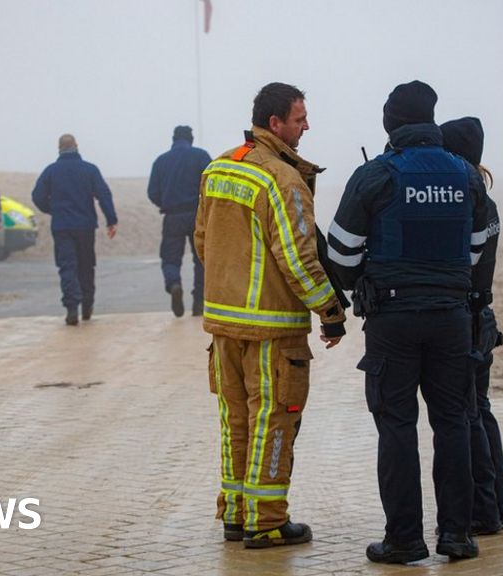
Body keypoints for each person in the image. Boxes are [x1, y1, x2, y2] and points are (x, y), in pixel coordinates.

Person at [326, 81, 490, 563]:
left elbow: (339, 251)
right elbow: (478, 246)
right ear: (432, 121)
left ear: (389, 123)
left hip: (392, 320)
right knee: (454, 423)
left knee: (397, 426)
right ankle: (456, 536)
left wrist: (365, 280)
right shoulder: (465, 174)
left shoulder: (374, 174)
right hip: (451, 318)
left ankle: (404, 540)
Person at [195, 82, 347, 549]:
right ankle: (268, 521)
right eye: (300, 119)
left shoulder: (219, 168)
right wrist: (330, 310)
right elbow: (300, 258)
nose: (307, 127)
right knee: (274, 419)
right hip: (271, 330)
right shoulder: (282, 181)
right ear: (275, 123)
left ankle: (236, 514)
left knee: (234, 421)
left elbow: (203, 241)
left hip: (223, 325)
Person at [440, 117, 503, 532]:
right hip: (481, 315)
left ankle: (483, 509)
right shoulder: (486, 199)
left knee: (467, 414)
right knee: (479, 411)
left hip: (466, 317)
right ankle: (498, 502)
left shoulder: (472, 201)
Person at [31, 134, 118, 325]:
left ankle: (72, 307)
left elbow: (37, 196)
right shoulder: (90, 170)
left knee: (67, 266)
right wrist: (111, 220)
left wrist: (52, 209)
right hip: (85, 226)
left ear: (59, 148)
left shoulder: (51, 171)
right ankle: (87, 305)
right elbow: (104, 195)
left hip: (62, 226)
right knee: (86, 266)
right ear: (76, 147)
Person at [147, 125, 212, 317]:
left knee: (170, 258)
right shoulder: (201, 156)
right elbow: (212, 182)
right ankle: (199, 302)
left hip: (172, 216)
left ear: (173, 139)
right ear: (191, 139)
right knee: (201, 259)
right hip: (196, 215)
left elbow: (152, 192)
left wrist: (166, 203)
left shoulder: (161, 161)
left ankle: (174, 283)